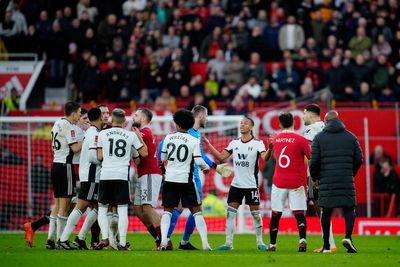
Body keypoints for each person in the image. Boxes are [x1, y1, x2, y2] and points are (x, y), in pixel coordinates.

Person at [165, 105, 231, 250]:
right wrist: (214, 167)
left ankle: (166, 240)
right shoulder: (193, 135)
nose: (207, 119)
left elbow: (163, 148)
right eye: (206, 116)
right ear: (200, 116)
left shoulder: (182, 132)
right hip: (192, 177)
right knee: (196, 210)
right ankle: (183, 241)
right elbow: (199, 156)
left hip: (175, 176)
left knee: (176, 209)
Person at [203, 116, 272, 250]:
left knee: (256, 215)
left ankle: (260, 242)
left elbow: (266, 158)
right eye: (241, 123)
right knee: (230, 213)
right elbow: (221, 157)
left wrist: (271, 149)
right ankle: (228, 244)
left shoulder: (257, 143)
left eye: (245, 123)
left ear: (251, 127)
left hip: (251, 185)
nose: (242, 125)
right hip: (236, 185)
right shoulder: (234, 143)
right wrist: (208, 144)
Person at [309, 111, 363, 253]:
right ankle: (348, 237)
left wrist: (314, 178)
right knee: (349, 208)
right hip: (346, 179)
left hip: (326, 181)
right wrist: (351, 172)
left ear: (325, 122)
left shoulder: (319, 138)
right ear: (338, 120)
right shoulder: (351, 137)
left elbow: (313, 162)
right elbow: (359, 159)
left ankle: (326, 245)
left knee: (326, 211)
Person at [95, 108, 148, 250]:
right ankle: (123, 243)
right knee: (122, 209)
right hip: (121, 176)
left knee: (102, 208)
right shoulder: (130, 135)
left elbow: (99, 157)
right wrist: (136, 142)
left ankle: (105, 238)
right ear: (125, 121)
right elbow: (145, 153)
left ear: (112, 120)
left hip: (106, 175)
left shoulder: (102, 134)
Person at [159, 109, 211, 251]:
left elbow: (162, 159)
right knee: (197, 212)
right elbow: (199, 160)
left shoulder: (168, 138)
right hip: (186, 180)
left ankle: (163, 242)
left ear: (177, 123)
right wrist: (206, 167)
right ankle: (205, 243)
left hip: (170, 180)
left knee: (167, 211)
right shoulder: (194, 140)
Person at [58, 108, 103, 249]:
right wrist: (104, 161)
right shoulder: (95, 134)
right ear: (100, 117)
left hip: (88, 174)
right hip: (91, 175)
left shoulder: (90, 132)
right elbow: (92, 157)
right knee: (81, 206)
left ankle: (80, 238)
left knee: (99, 207)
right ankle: (63, 239)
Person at [265, 112, 310, 252]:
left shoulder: (276, 140)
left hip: (279, 181)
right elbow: (311, 157)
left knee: (276, 213)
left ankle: (272, 245)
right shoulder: (301, 139)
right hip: (296, 181)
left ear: (279, 124)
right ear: (294, 123)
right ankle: (302, 241)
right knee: (299, 213)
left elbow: (268, 158)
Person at [47, 101, 82, 249]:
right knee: (65, 204)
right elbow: (74, 148)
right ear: (73, 113)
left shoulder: (57, 123)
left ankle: (50, 239)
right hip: (65, 166)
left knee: (57, 204)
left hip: (55, 164)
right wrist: (85, 140)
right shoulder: (69, 125)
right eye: (79, 114)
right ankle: (62, 240)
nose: (79, 117)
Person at [303, 104, 336, 253]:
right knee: (323, 208)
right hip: (329, 172)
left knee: (320, 208)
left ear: (310, 114)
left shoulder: (311, 129)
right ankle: (329, 243)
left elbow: (310, 154)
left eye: (304, 114)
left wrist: (312, 175)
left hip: (316, 174)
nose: (303, 117)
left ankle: (328, 244)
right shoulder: (325, 126)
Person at [132, 107, 164, 249]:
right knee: (139, 210)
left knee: (148, 207)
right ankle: (158, 237)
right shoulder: (142, 133)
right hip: (143, 173)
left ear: (143, 119)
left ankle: (164, 241)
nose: (133, 116)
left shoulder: (145, 132)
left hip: (150, 173)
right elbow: (138, 160)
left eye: (136, 115)